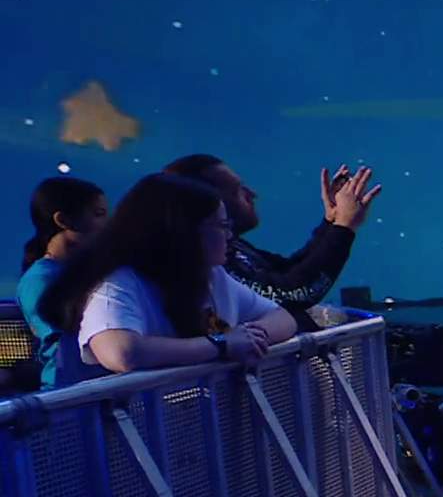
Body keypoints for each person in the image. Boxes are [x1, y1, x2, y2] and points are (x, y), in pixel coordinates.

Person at [36, 172, 297, 375]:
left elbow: (282, 318)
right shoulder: (118, 282)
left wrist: (248, 338)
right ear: (182, 232)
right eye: (221, 225)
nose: (230, 234)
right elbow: (121, 352)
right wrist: (222, 344)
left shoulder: (211, 276)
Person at [162, 154, 378, 328]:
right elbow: (292, 295)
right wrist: (344, 227)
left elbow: (287, 274)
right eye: (238, 190)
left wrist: (332, 222)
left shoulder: (230, 250)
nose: (252, 194)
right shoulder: (210, 267)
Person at [15, 176, 110, 389]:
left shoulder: (87, 272)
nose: (108, 224)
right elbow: (62, 340)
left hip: (101, 389)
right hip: (68, 392)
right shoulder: (40, 279)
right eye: (99, 214)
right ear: (63, 220)